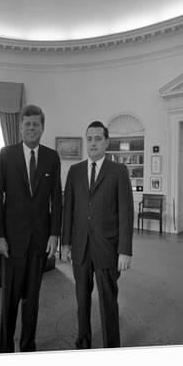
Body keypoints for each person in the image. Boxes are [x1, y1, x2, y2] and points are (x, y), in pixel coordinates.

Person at [0, 105, 62, 352]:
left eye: (36, 124)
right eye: (27, 124)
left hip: (40, 241)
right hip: (11, 241)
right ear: (20, 127)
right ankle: (5, 349)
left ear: (43, 128)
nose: (32, 128)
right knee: (9, 300)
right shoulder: (6, 154)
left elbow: (57, 199)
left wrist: (55, 233)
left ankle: (28, 346)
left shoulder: (52, 157)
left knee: (32, 299)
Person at [61, 121, 133, 349]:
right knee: (82, 300)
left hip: (107, 248)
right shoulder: (75, 171)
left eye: (98, 138)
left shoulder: (119, 171)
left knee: (108, 301)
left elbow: (126, 213)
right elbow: (68, 209)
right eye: (89, 138)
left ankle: (112, 347)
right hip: (80, 247)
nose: (93, 143)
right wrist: (66, 243)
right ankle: (83, 342)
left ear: (107, 142)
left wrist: (124, 250)